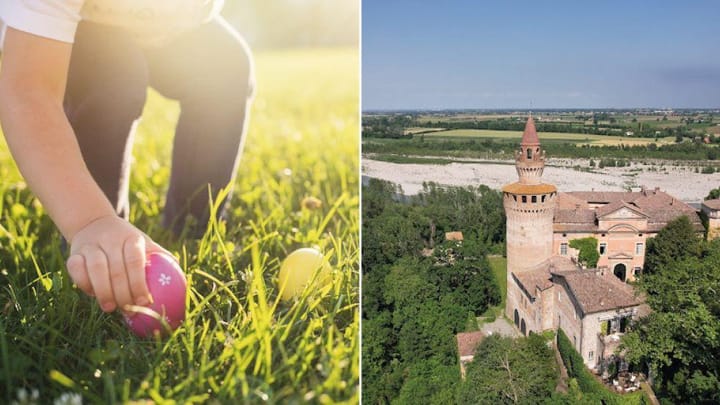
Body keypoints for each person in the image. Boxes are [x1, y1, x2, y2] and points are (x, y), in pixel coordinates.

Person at [0, 1, 254, 315]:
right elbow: (29, 91)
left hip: (171, 26)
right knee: (114, 74)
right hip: (77, 28)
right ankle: (101, 247)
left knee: (225, 65)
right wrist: (90, 221)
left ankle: (192, 227)